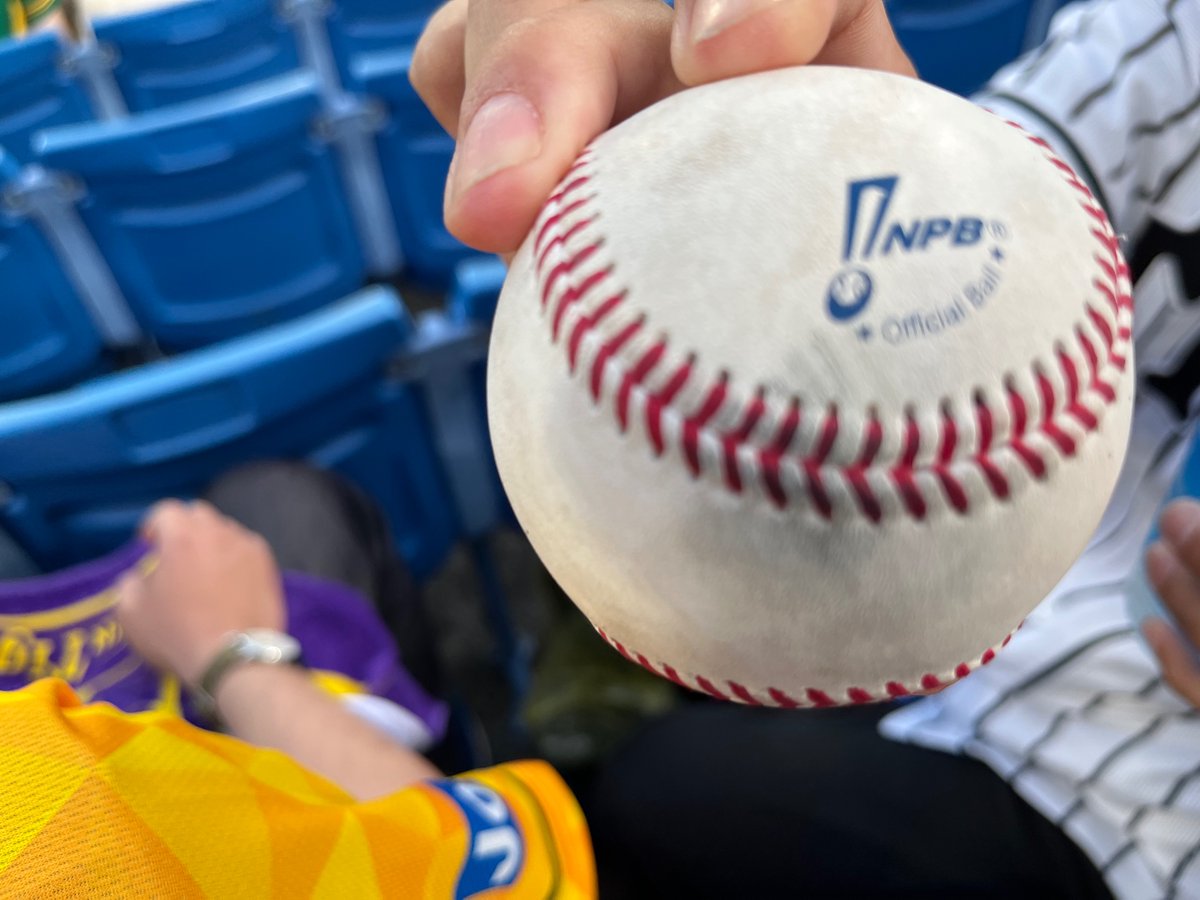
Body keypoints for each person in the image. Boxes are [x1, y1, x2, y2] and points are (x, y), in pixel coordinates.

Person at [410, 0, 1200, 895]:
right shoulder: (1176, 31)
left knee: (664, 787)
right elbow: (966, 218)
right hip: (963, 587)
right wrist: (747, 180)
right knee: (689, 569)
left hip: (1137, 817)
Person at [0, 463, 595, 895]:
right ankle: (459, 747)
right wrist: (228, 654)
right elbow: (483, 869)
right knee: (283, 499)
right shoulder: (68, 838)